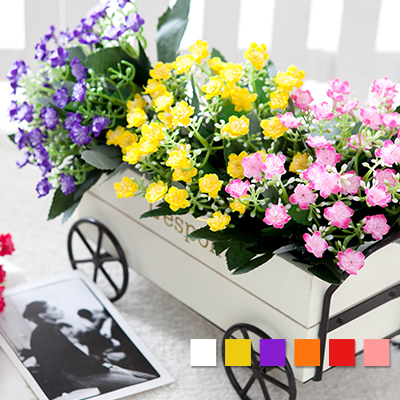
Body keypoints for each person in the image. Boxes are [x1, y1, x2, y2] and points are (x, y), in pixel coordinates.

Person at [23, 301, 155, 400]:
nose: (60, 309)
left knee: (149, 378)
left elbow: (74, 358)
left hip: (87, 371)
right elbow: (70, 363)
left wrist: (105, 366)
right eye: (54, 308)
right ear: (43, 314)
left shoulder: (49, 330)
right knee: (143, 383)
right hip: (79, 377)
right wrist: (106, 367)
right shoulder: (45, 334)